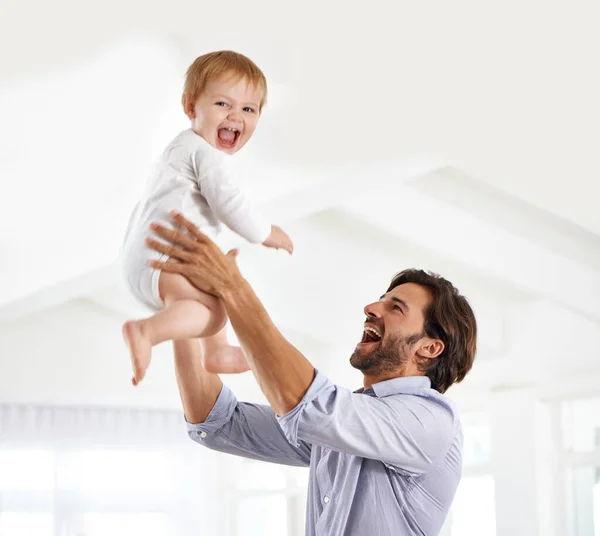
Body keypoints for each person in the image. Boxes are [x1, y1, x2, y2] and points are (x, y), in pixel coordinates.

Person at [145, 211, 478, 536]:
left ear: (430, 348)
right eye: (381, 300)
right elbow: (217, 422)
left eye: (396, 307)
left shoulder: (431, 421)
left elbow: (309, 406)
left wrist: (233, 287)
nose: (371, 308)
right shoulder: (346, 426)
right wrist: (185, 308)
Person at [119, 50, 293, 386]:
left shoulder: (178, 149)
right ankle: (146, 331)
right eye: (223, 105)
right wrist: (265, 232)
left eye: (248, 109)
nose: (235, 116)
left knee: (216, 291)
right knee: (213, 313)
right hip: (164, 258)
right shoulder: (205, 153)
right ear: (190, 107)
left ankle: (217, 353)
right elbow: (229, 202)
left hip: (143, 259)